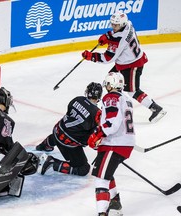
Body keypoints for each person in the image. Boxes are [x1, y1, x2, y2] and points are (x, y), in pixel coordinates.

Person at [81, 11, 166, 123]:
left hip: (132, 65)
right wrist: (108, 36)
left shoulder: (118, 40)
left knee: (132, 91)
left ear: (121, 24)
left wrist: (91, 56)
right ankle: (110, 108)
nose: (113, 27)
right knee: (110, 82)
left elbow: (108, 58)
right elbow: (117, 34)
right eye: (112, 24)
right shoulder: (128, 24)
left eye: (115, 25)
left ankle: (155, 108)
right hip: (125, 62)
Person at [87, 72, 135, 216]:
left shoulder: (111, 97)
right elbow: (117, 118)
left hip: (115, 144)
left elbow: (112, 123)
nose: (106, 87)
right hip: (123, 142)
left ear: (112, 84)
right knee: (106, 172)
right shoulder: (126, 98)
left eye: (108, 84)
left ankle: (102, 213)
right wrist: (102, 116)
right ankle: (115, 202)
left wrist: (97, 134)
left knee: (101, 180)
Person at [36, 82, 103, 176]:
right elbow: (94, 135)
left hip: (57, 131)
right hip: (68, 143)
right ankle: (52, 163)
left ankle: (44, 145)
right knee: (83, 169)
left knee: (62, 131)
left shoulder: (77, 99)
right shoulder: (97, 113)